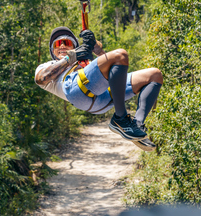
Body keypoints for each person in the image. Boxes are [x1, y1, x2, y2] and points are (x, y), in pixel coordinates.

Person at [34, 27, 163, 151]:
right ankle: (120, 119)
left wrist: (96, 48)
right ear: (52, 50)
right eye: (58, 44)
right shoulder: (47, 66)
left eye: (66, 42)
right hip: (76, 91)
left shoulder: (83, 61)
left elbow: (115, 69)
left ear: (74, 47)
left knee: (155, 75)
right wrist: (70, 58)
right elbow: (41, 79)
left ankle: (136, 126)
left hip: (102, 97)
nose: (62, 46)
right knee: (121, 54)